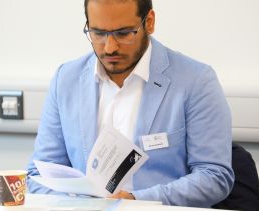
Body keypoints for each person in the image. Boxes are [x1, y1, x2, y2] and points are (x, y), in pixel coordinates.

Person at [27, 0, 234, 208]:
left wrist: (137, 201)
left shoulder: (195, 81)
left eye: (123, 33)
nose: (110, 47)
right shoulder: (66, 79)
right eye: (98, 33)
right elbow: (39, 174)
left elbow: (214, 176)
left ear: (149, 22)